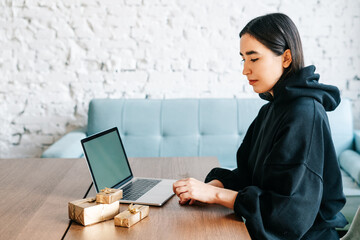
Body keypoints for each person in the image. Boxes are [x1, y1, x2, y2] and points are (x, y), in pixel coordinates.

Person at [173, 13, 348, 239]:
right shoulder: (272, 109)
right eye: (243, 59)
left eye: (254, 59)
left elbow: (288, 214)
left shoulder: (305, 114)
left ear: (286, 58)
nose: (245, 69)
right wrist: (208, 188)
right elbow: (251, 174)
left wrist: (216, 195)